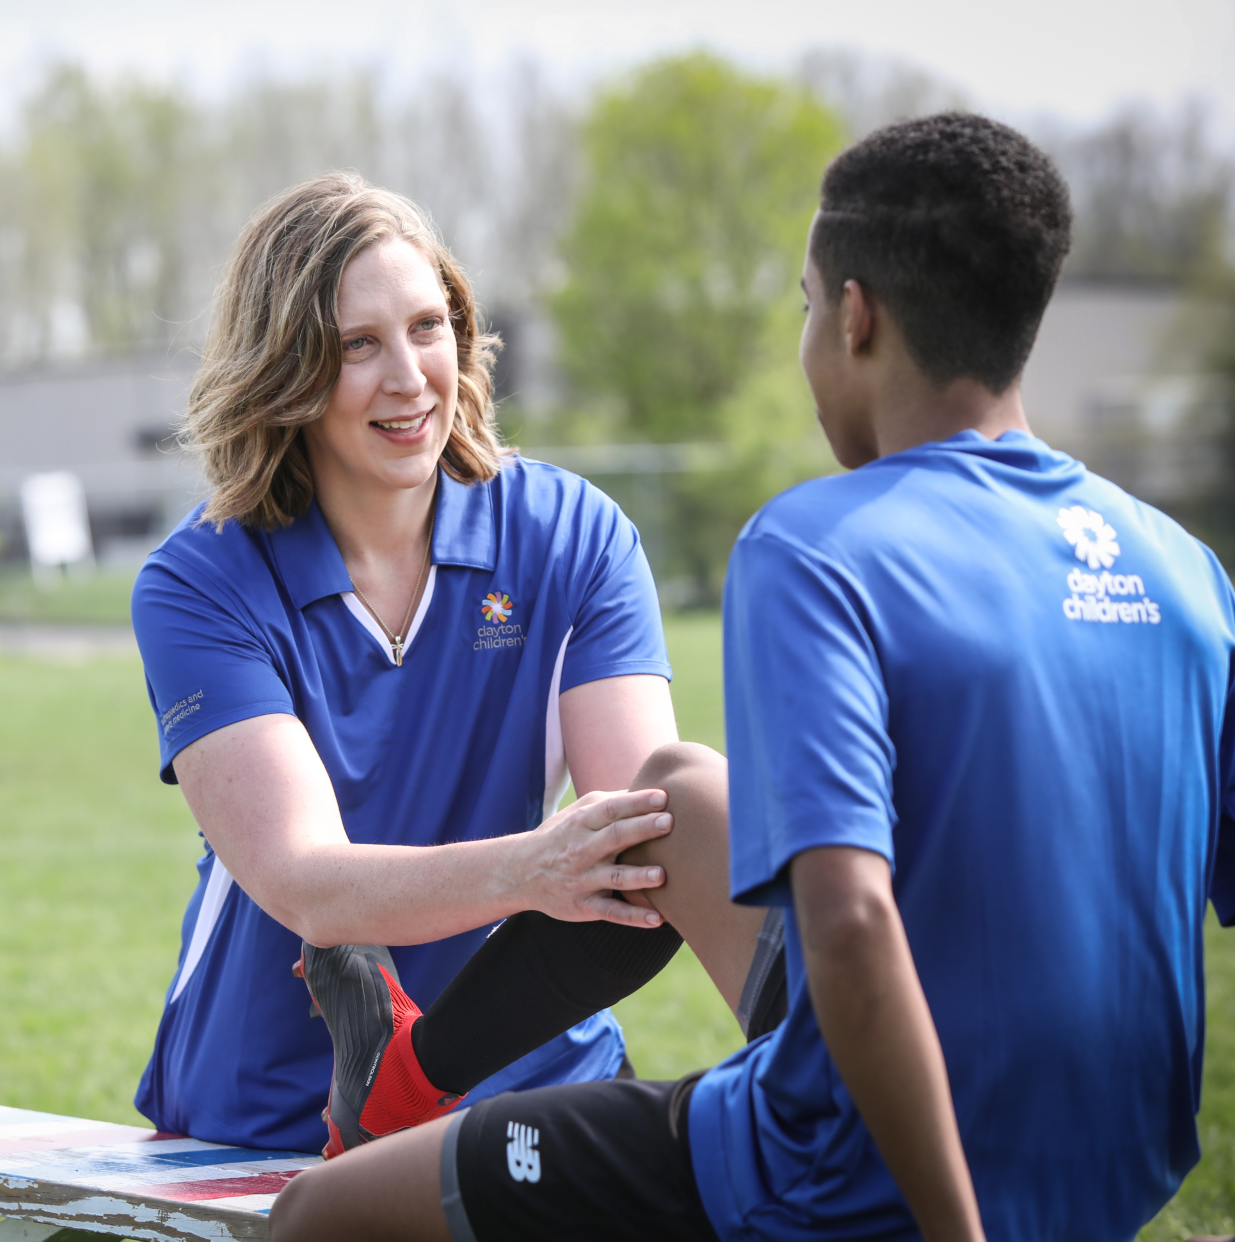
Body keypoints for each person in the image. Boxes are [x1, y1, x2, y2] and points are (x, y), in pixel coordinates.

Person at [269, 113, 1235, 1242]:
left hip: (852, 1171)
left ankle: (379, 1118)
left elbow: (847, 923)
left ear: (854, 316)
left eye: (800, 304)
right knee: (673, 793)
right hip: (1115, 1161)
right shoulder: (1184, 574)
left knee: (315, 1217)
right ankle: (404, 1080)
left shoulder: (818, 548)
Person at [130, 172, 767, 1155]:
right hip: (279, 1109)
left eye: (428, 327)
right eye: (356, 345)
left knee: (687, 802)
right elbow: (305, 883)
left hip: (537, 1084)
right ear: (284, 369)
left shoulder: (572, 537)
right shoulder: (200, 581)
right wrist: (534, 865)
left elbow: (640, 842)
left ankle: (830, 1118)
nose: (407, 377)